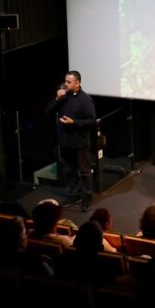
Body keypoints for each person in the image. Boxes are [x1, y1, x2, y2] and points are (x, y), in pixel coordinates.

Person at [45, 70, 97, 212]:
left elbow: (92, 121)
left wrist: (74, 122)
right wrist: (56, 99)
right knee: (69, 170)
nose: (65, 84)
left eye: (69, 82)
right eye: (65, 81)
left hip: (80, 142)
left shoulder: (85, 99)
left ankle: (87, 198)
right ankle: (74, 194)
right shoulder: (63, 96)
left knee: (85, 171)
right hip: (65, 141)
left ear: (77, 83)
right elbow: (47, 111)